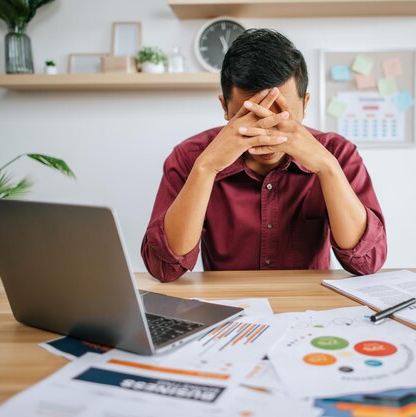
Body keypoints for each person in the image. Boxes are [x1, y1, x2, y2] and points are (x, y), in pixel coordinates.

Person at [142, 29, 386, 283]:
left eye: (282, 115)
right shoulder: (190, 158)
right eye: (251, 117)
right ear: (225, 108)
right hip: (228, 308)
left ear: (305, 105)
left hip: (309, 310)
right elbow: (164, 268)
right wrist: (206, 168)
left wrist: (327, 168)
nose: (266, 133)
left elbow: (367, 262)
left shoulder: (337, 153)